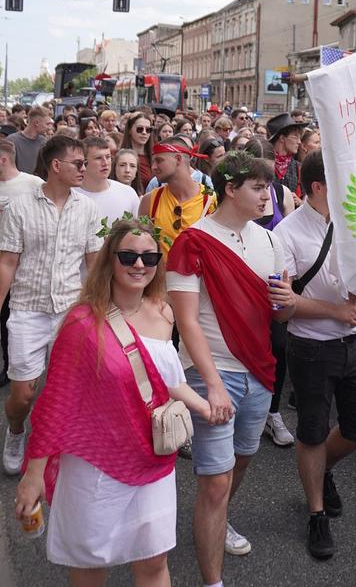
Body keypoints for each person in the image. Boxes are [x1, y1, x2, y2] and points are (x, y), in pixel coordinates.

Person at [15, 217, 210, 585]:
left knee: (153, 564)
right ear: (110, 260)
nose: (139, 265)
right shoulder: (82, 324)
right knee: (90, 566)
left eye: (149, 259)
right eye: (128, 256)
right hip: (96, 466)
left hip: (152, 460)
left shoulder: (164, 312)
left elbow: (163, 380)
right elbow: (55, 405)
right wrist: (34, 474)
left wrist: (203, 403)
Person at [167, 152, 294, 582]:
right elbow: (185, 322)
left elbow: (278, 316)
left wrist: (287, 302)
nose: (267, 195)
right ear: (231, 190)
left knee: (241, 462)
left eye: (268, 187)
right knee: (215, 481)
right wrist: (215, 384)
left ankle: (218, 518)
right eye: (258, 187)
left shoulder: (271, 240)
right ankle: (213, 580)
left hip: (259, 372)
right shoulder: (194, 241)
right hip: (211, 373)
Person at [275, 150, 356, 559]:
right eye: (343, 181)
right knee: (313, 430)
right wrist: (335, 309)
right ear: (318, 186)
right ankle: (316, 512)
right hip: (312, 346)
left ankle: (323, 471)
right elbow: (282, 308)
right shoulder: (286, 234)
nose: (353, 189)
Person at [0, 135, 103, 475]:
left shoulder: (87, 208)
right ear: (56, 166)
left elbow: (93, 262)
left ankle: (54, 444)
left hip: (70, 312)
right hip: (28, 310)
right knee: (23, 394)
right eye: (79, 163)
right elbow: (7, 263)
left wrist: (101, 309)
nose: (84, 169)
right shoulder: (19, 207)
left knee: (66, 387)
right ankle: (16, 430)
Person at [244, 137, 295, 447]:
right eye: (256, 182)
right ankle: (246, 407)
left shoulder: (282, 193)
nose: (263, 191)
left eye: (267, 179)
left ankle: (273, 412)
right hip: (242, 273)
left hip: (273, 276)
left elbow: (289, 233)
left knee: (278, 345)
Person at [0, 141, 43, 387]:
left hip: (22, 265)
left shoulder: (32, 184)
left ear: (3, 159)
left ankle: (11, 367)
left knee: (10, 318)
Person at [139, 138, 216, 256]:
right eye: (153, 161)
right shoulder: (149, 201)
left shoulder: (210, 199)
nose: (153, 167)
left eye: (159, 160)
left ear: (178, 159)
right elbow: (141, 247)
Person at [77, 137, 140, 225]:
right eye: (98, 158)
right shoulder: (70, 195)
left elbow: (138, 232)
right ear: (83, 162)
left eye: (108, 157)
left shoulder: (128, 193)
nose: (105, 163)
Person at [267, 112, 305, 196]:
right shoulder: (264, 163)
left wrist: (299, 201)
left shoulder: (297, 167)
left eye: (300, 137)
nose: (299, 142)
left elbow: (307, 198)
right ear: (282, 138)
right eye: (295, 137)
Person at [7, 107, 50, 174]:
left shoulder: (44, 142)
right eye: (47, 124)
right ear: (36, 123)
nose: (49, 128)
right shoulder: (12, 140)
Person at [121, 112, 154, 189]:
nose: (144, 132)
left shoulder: (155, 157)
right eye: (139, 129)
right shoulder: (119, 156)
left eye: (148, 129)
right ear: (129, 130)